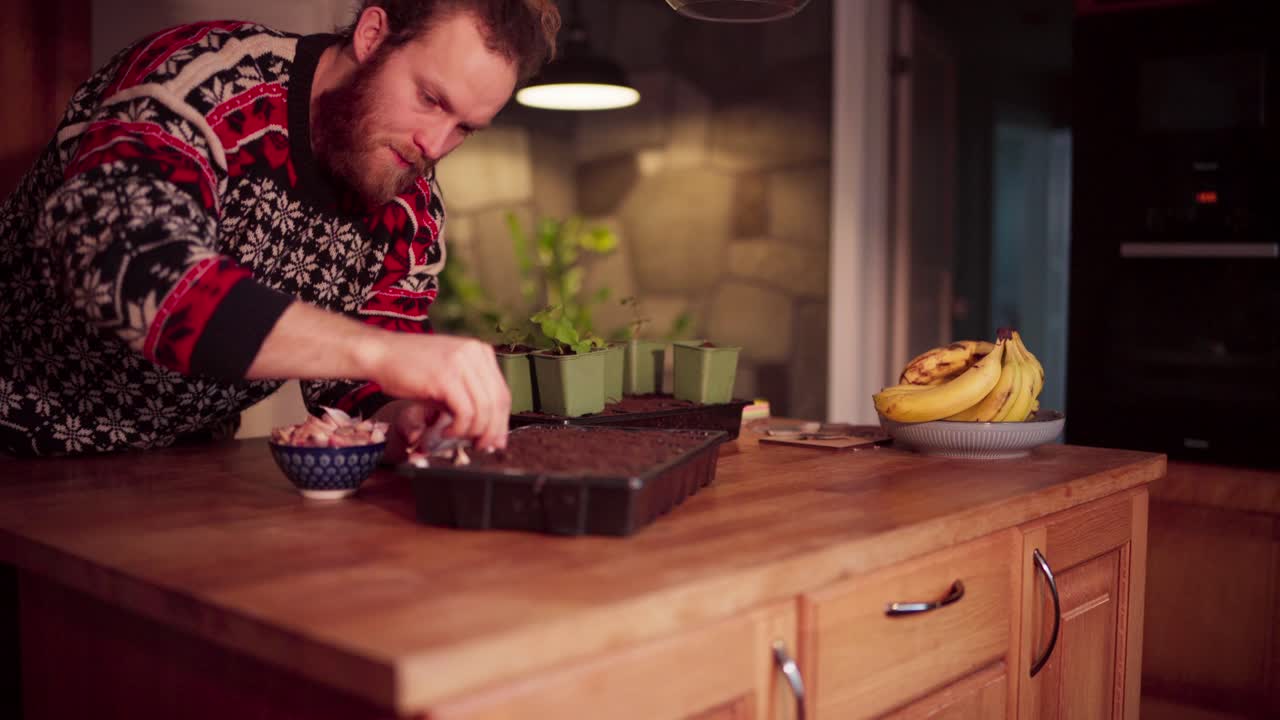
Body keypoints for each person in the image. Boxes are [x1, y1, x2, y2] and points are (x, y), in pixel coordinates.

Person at [0, 0, 562, 460]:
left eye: (464, 127)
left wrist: (409, 418)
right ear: (372, 36)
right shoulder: (208, 80)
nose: (434, 147)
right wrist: (382, 353)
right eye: (430, 99)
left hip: (177, 471)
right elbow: (123, 265)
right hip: (16, 443)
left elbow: (355, 394)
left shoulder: (410, 210)